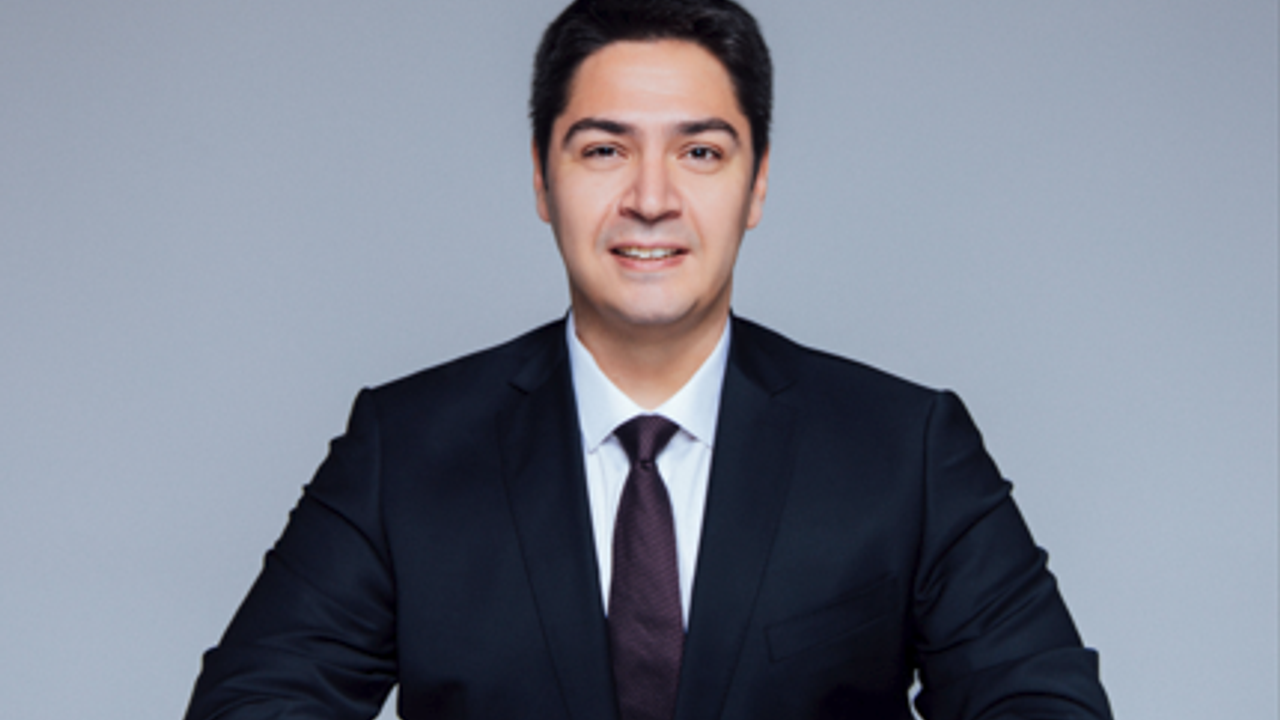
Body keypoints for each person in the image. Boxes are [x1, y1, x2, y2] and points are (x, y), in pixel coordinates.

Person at [184, 1, 1113, 718]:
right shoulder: (406, 447)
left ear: (756, 183)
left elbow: (1044, 704)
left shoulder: (905, 448)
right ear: (542, 179)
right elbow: (253, 702)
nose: (652, 198)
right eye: (604, 150)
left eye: (701, 152)